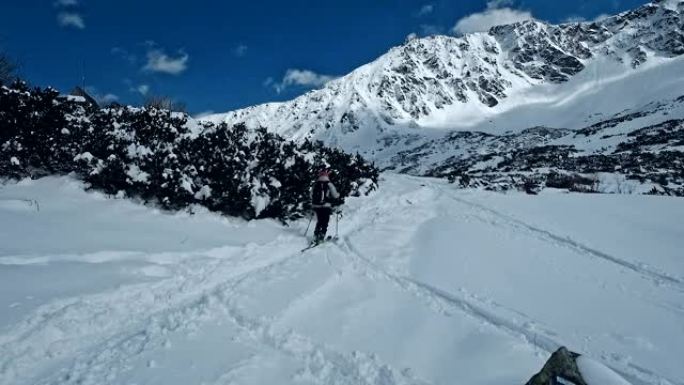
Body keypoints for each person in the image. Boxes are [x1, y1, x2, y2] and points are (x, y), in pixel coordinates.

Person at [311, 169, 341, 244]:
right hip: (326, 206)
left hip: (317, 206)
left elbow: (311, 195)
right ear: (327, 176)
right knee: (325, 221)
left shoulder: (315, 184)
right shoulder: (329, 184)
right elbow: (335, 195)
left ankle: (315, 235)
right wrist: (338, 196)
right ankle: (321, 236)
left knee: (319, 221)